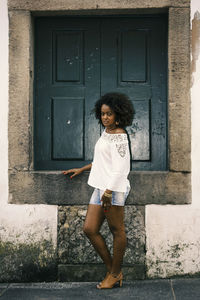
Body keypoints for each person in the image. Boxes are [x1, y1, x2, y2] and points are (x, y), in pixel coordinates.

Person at [62, 92, 134, 289]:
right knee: (90, 229)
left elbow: (121, 168)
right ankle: (114, 271)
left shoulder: (119, 136)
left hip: (113, 189)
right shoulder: (106, 132)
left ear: (118, 114)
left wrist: (109, 192)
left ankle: (113, 274)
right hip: (100, 186)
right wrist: (82, 169)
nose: (105, 118)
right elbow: (103, 161)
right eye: (102, 114)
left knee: (116, 230)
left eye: (109, 114)